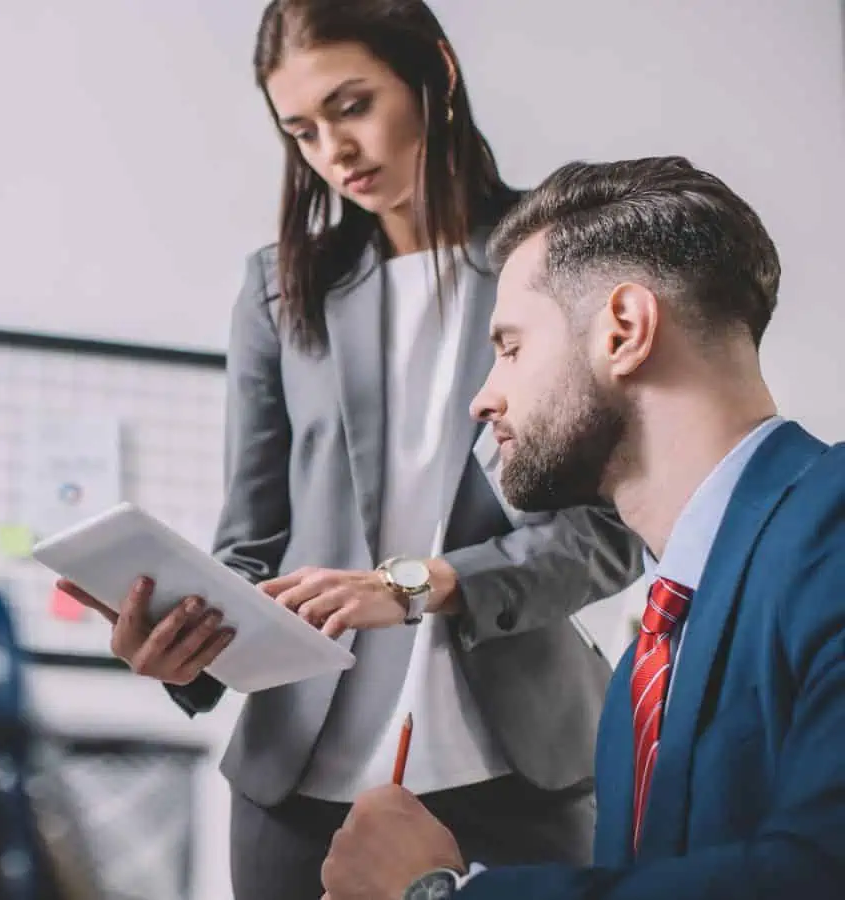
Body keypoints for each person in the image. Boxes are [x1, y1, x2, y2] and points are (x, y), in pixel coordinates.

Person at [54, 1, 643, 896]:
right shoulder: (280, 290)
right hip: (298, 784)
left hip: (519, 778)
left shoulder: (555, 261)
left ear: (436, 72)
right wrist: (189, 645)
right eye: (302, 129)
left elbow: (605, 535)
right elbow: (251, 544)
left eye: (352, 105)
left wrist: (414, 586)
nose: (334, 150)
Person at [319, 155, 845, 899]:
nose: (484, 398)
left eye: (510, 349)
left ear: (623, 331)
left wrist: (438, 894)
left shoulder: (834, 527)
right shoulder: (639, 676)